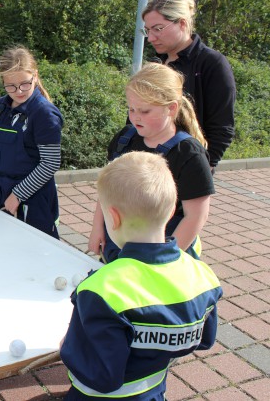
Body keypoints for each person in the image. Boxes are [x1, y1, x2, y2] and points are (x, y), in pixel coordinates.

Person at [60, 151, 222, 400]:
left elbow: (98, 373)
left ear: (112, 218)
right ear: (170, 213)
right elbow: (203, 340)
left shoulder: (100, 290)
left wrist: (66, 347)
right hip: (153, 391)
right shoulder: (203, 276)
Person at [88, 63, 214, 262]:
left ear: (171, 108)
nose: (135, 117)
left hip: (164, 248)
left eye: (145, 111)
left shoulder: (189, 154)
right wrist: (97, 229)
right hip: (119, 244)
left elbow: (196, 216)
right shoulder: (124, 140)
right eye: (131, 109)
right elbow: (107, 193)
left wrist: (164, 261)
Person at [141, 0, 236, 171]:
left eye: (158, 29)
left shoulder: (212, 64)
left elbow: (222, 127)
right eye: (147, 31)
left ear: (182, 23)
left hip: (186, 165)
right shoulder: (157, 63)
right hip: (149, 164)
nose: (151, 38)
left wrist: (202, 167)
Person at [0, 46, 63, 239]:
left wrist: (18, 195)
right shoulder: (1, 106)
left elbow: (50, 163)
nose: (18, 91)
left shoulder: (44, 114)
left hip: (33, 199)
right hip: (1, 189)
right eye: (11, 86)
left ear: (35, 75)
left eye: (25, 84)